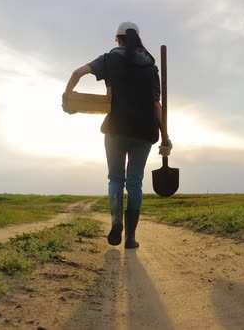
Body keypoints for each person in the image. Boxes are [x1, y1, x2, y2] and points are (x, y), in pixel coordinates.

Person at [63, 22, 172, 249]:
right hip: (144, 133)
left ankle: (116, 222)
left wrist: (68, 97)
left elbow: (77, 73)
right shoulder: (151, 67)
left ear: (118, 39)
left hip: (115, 129)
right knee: (135, 183)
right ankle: (130, 238)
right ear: (138, 40)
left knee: (115, 179)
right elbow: (156, 105)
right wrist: (165, 136)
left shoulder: (108, 60)